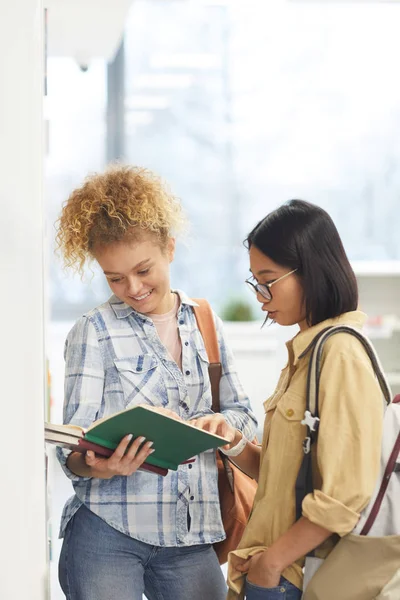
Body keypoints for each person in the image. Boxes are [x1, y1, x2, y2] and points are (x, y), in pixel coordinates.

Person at [55, 165, 257, 600]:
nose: (133, 287)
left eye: (143, 269)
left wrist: (226, 428)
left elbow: (244, 414)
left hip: (192, 537)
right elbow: (71, 447)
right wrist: (99, 464)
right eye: (115, 277)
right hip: (108, 532)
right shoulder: (94, 330)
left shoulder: (206, 322)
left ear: (169, 247)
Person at [200, 200, 383, 600]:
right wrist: (231, 443)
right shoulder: (308, 354)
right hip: (276, 571)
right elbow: (289, 474)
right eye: (254, 281)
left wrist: (271, 564)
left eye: (268, 279)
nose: (260, 295)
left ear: (311, 269)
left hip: (299, 575)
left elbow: (345, 494)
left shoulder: (340, 355)